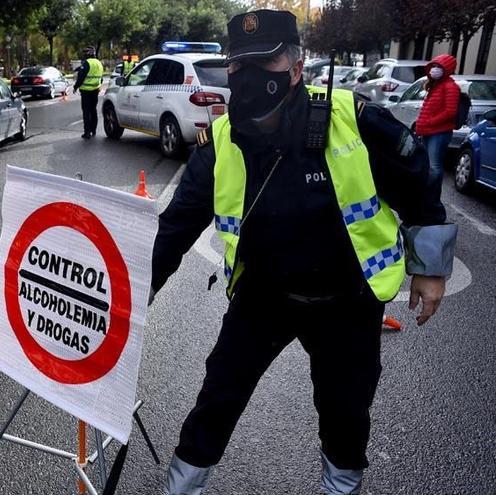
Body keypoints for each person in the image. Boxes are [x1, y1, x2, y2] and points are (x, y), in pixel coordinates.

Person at [153, 10, 457, 494]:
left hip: (346, 302)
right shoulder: (222, 141)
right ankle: (179, 488)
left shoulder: (349, 118)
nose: (250, 75)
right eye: (239, 64)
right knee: (217, 399)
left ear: (296, 68)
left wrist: (431, 269)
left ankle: (340, 487)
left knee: (346, 415)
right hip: (262, 298)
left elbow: (417, 178)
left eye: (266, 61)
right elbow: (173, 228)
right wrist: (129, 298)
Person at [415, 54, 460, 188]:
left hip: (439, 132)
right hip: (429, 131)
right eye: (433, 66)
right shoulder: (436, 85)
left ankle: (432, 194)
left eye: (439, 67)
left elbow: (450, 111)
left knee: (434, 166)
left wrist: (430, 121)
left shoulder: (450, 87)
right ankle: (427, 192)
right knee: (428, 164)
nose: (434, 69)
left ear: (447, 69)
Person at [73, 46, 104, 139]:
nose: (84, 55)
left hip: (86, 92)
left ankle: (87, 132)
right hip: (95, 90)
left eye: (85, 53)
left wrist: (75, 87)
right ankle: (93, 130)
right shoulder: (99, 63)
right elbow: (101, 78)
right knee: (93, 110)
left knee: (86, 112)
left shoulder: (87, 63)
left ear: (89, 53)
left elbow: (81, 77)